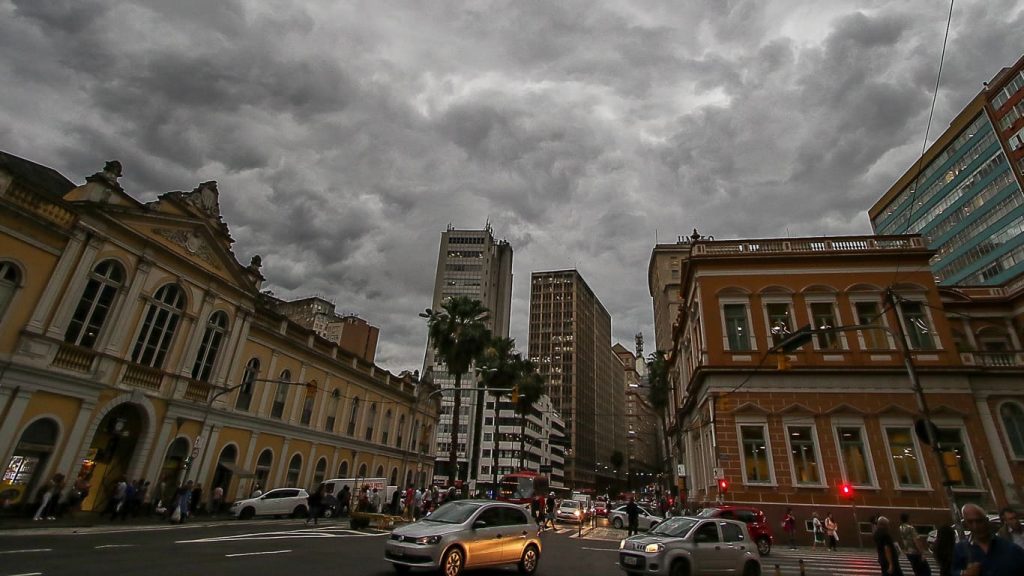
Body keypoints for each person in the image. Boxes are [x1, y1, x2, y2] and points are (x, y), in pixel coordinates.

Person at [952, 503, 1024, 576]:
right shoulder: (959, 550)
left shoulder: (1011, 548)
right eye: (970, 522)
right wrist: (964, 574)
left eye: (979, 521)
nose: (975, 526)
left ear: (986, 521)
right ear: (966, 524)